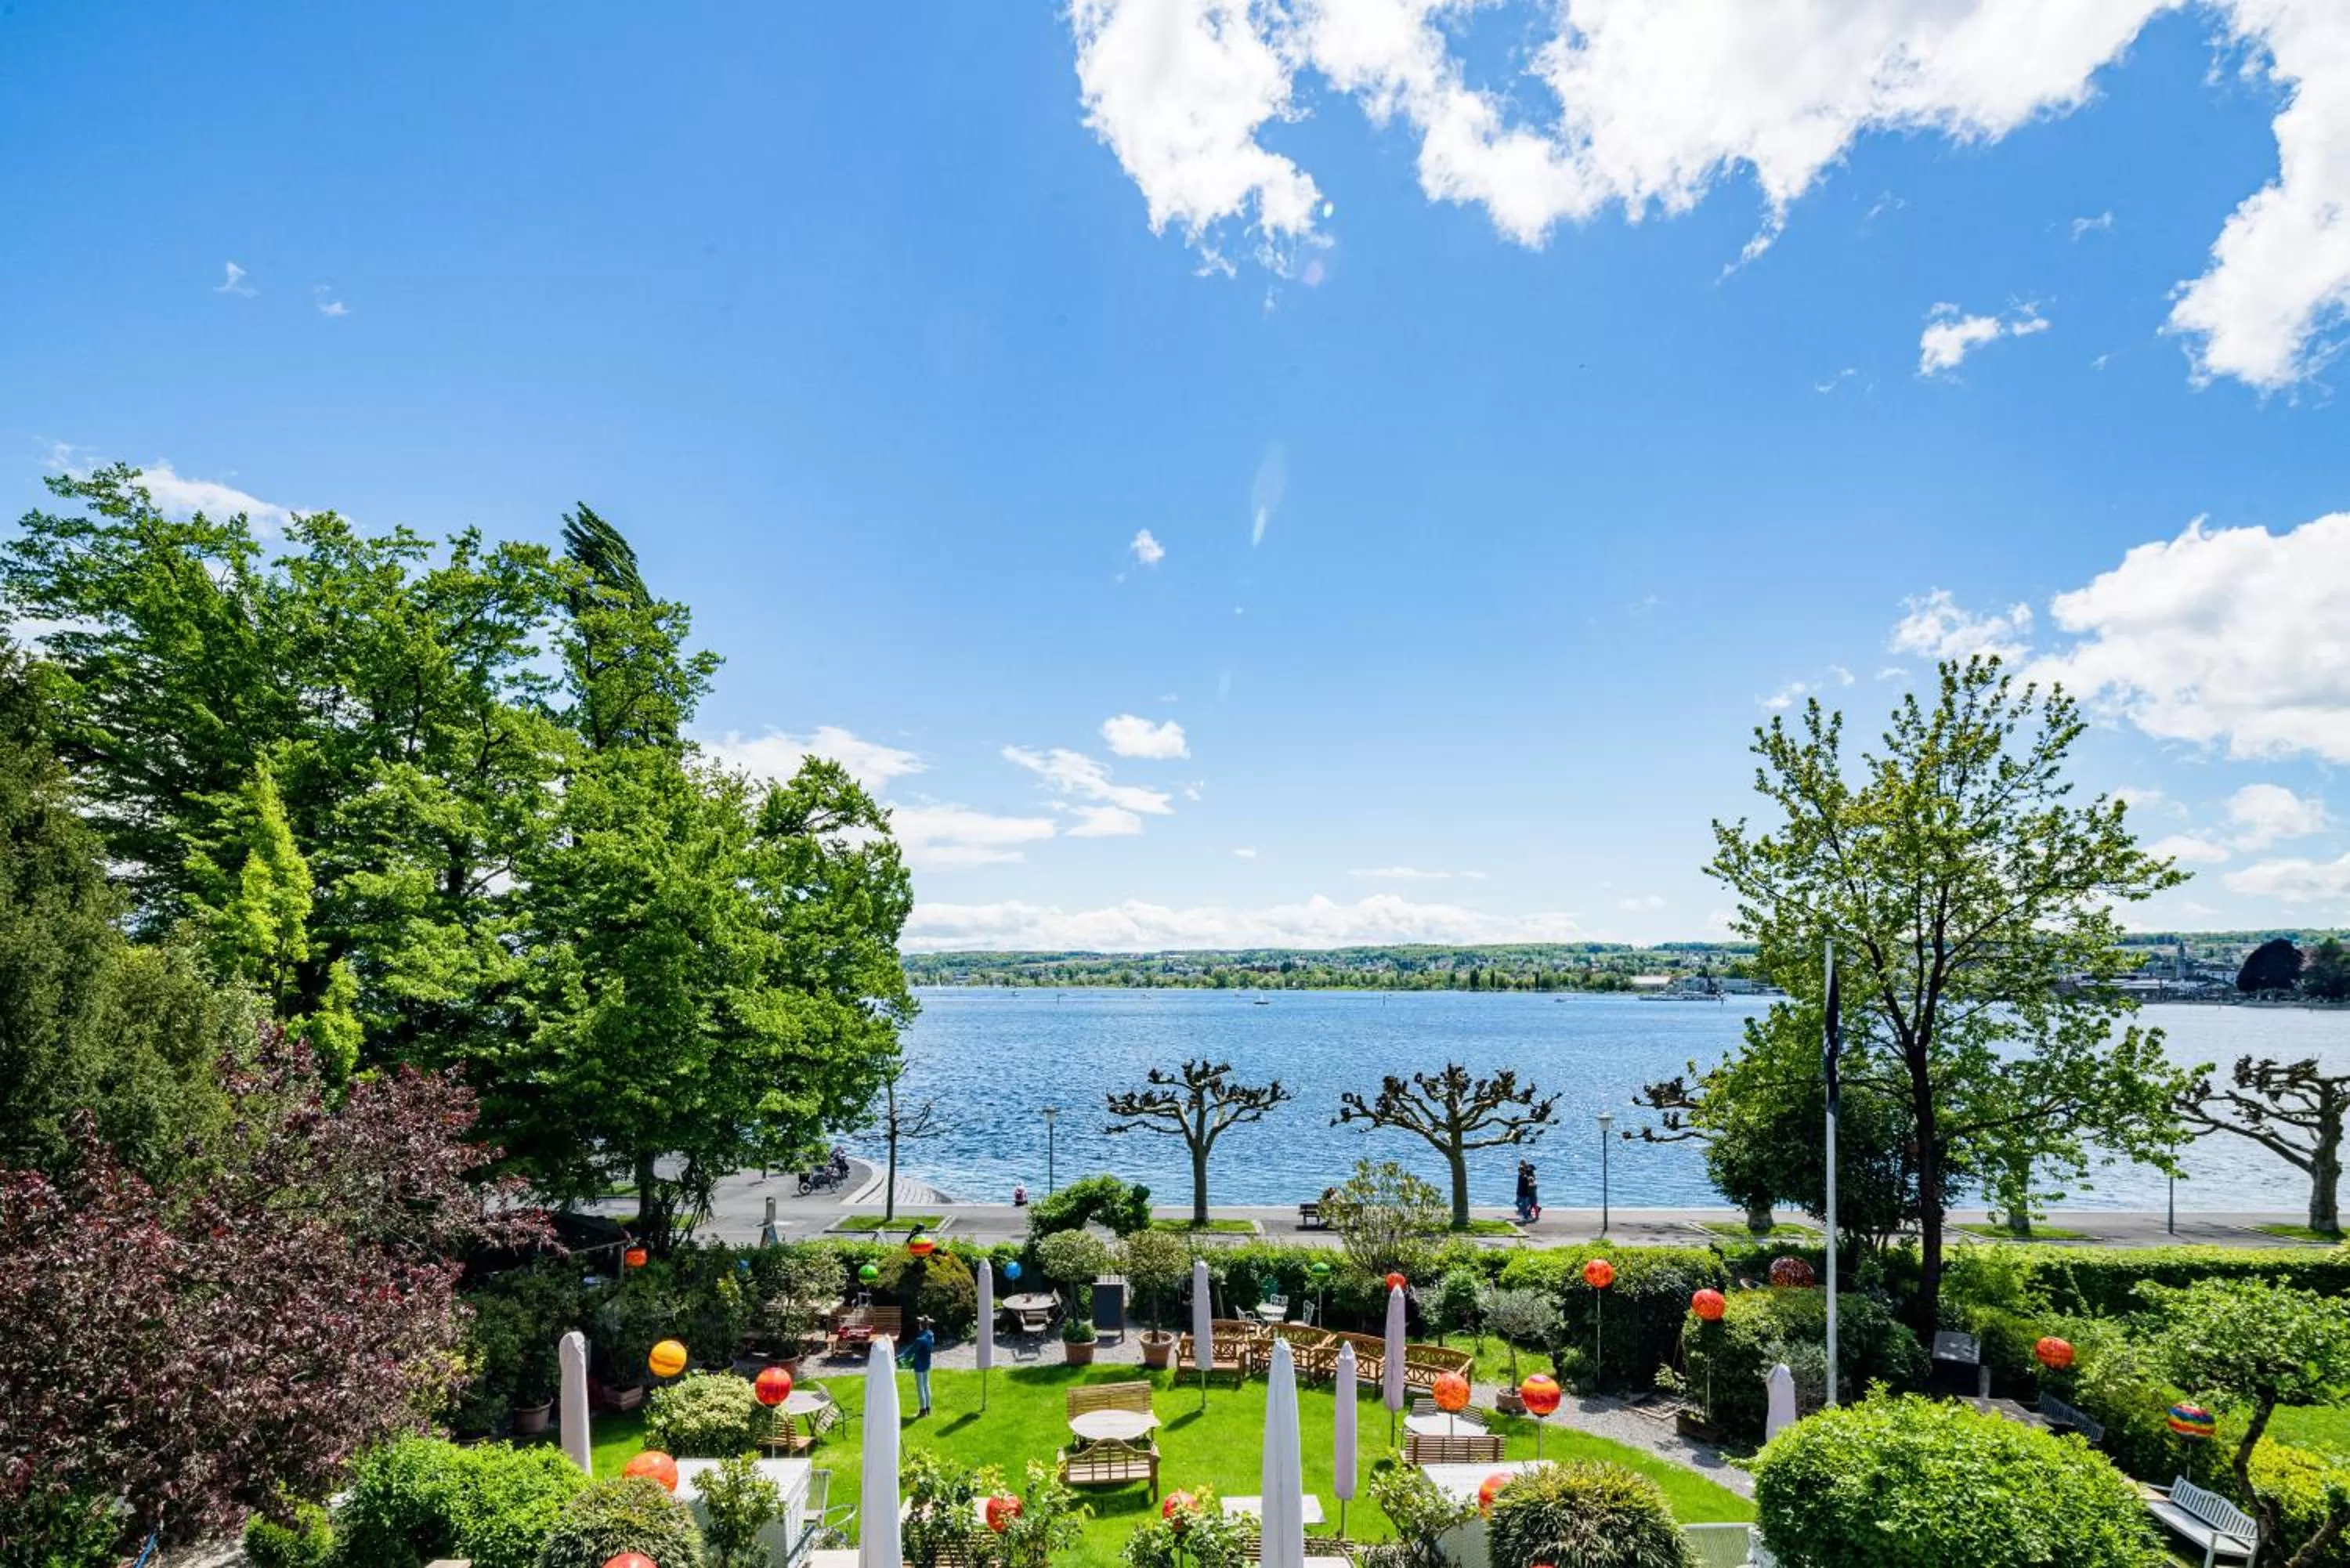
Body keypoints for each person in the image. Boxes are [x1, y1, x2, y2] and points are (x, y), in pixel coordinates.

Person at [907, 1316, 935, 1417]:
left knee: (920, 1387)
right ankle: (928, 1408)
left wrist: (898, 1357)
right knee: (926, 1385)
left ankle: (922, 1411)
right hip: (927, 1363)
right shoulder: (931, 1335)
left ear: (921, 1326)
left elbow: (910, 1351)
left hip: (919, 1365)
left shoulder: (920, 1339)